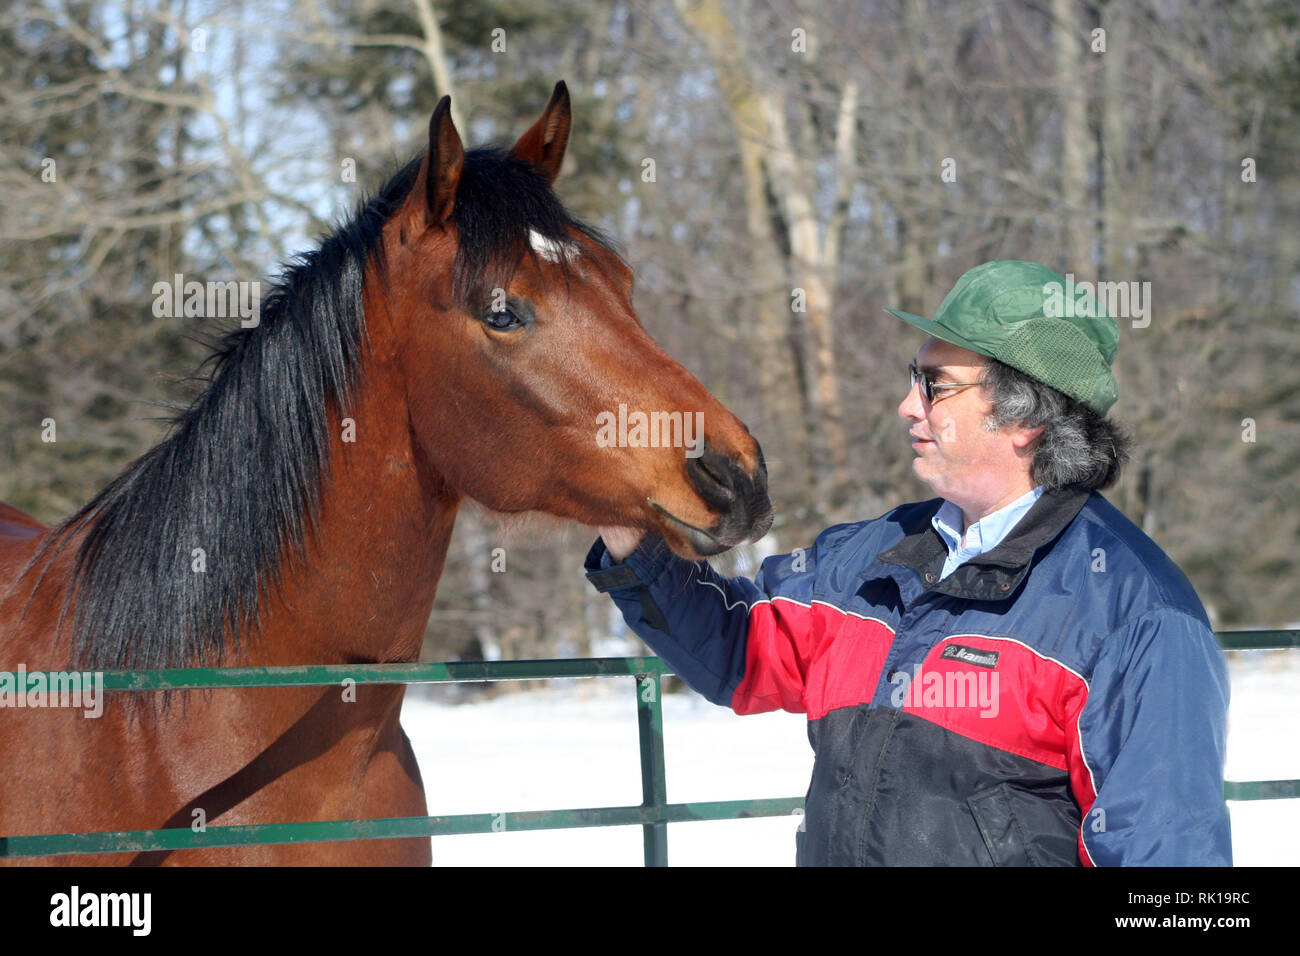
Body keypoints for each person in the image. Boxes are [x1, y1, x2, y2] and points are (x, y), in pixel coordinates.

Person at [585, 259, 1232, 866]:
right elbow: (737, 651)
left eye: (935, 385)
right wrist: (620, 513)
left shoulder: (1137, 617)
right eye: (913, 377)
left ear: (1024, 417)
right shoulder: (866, 559)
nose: (907, 404)